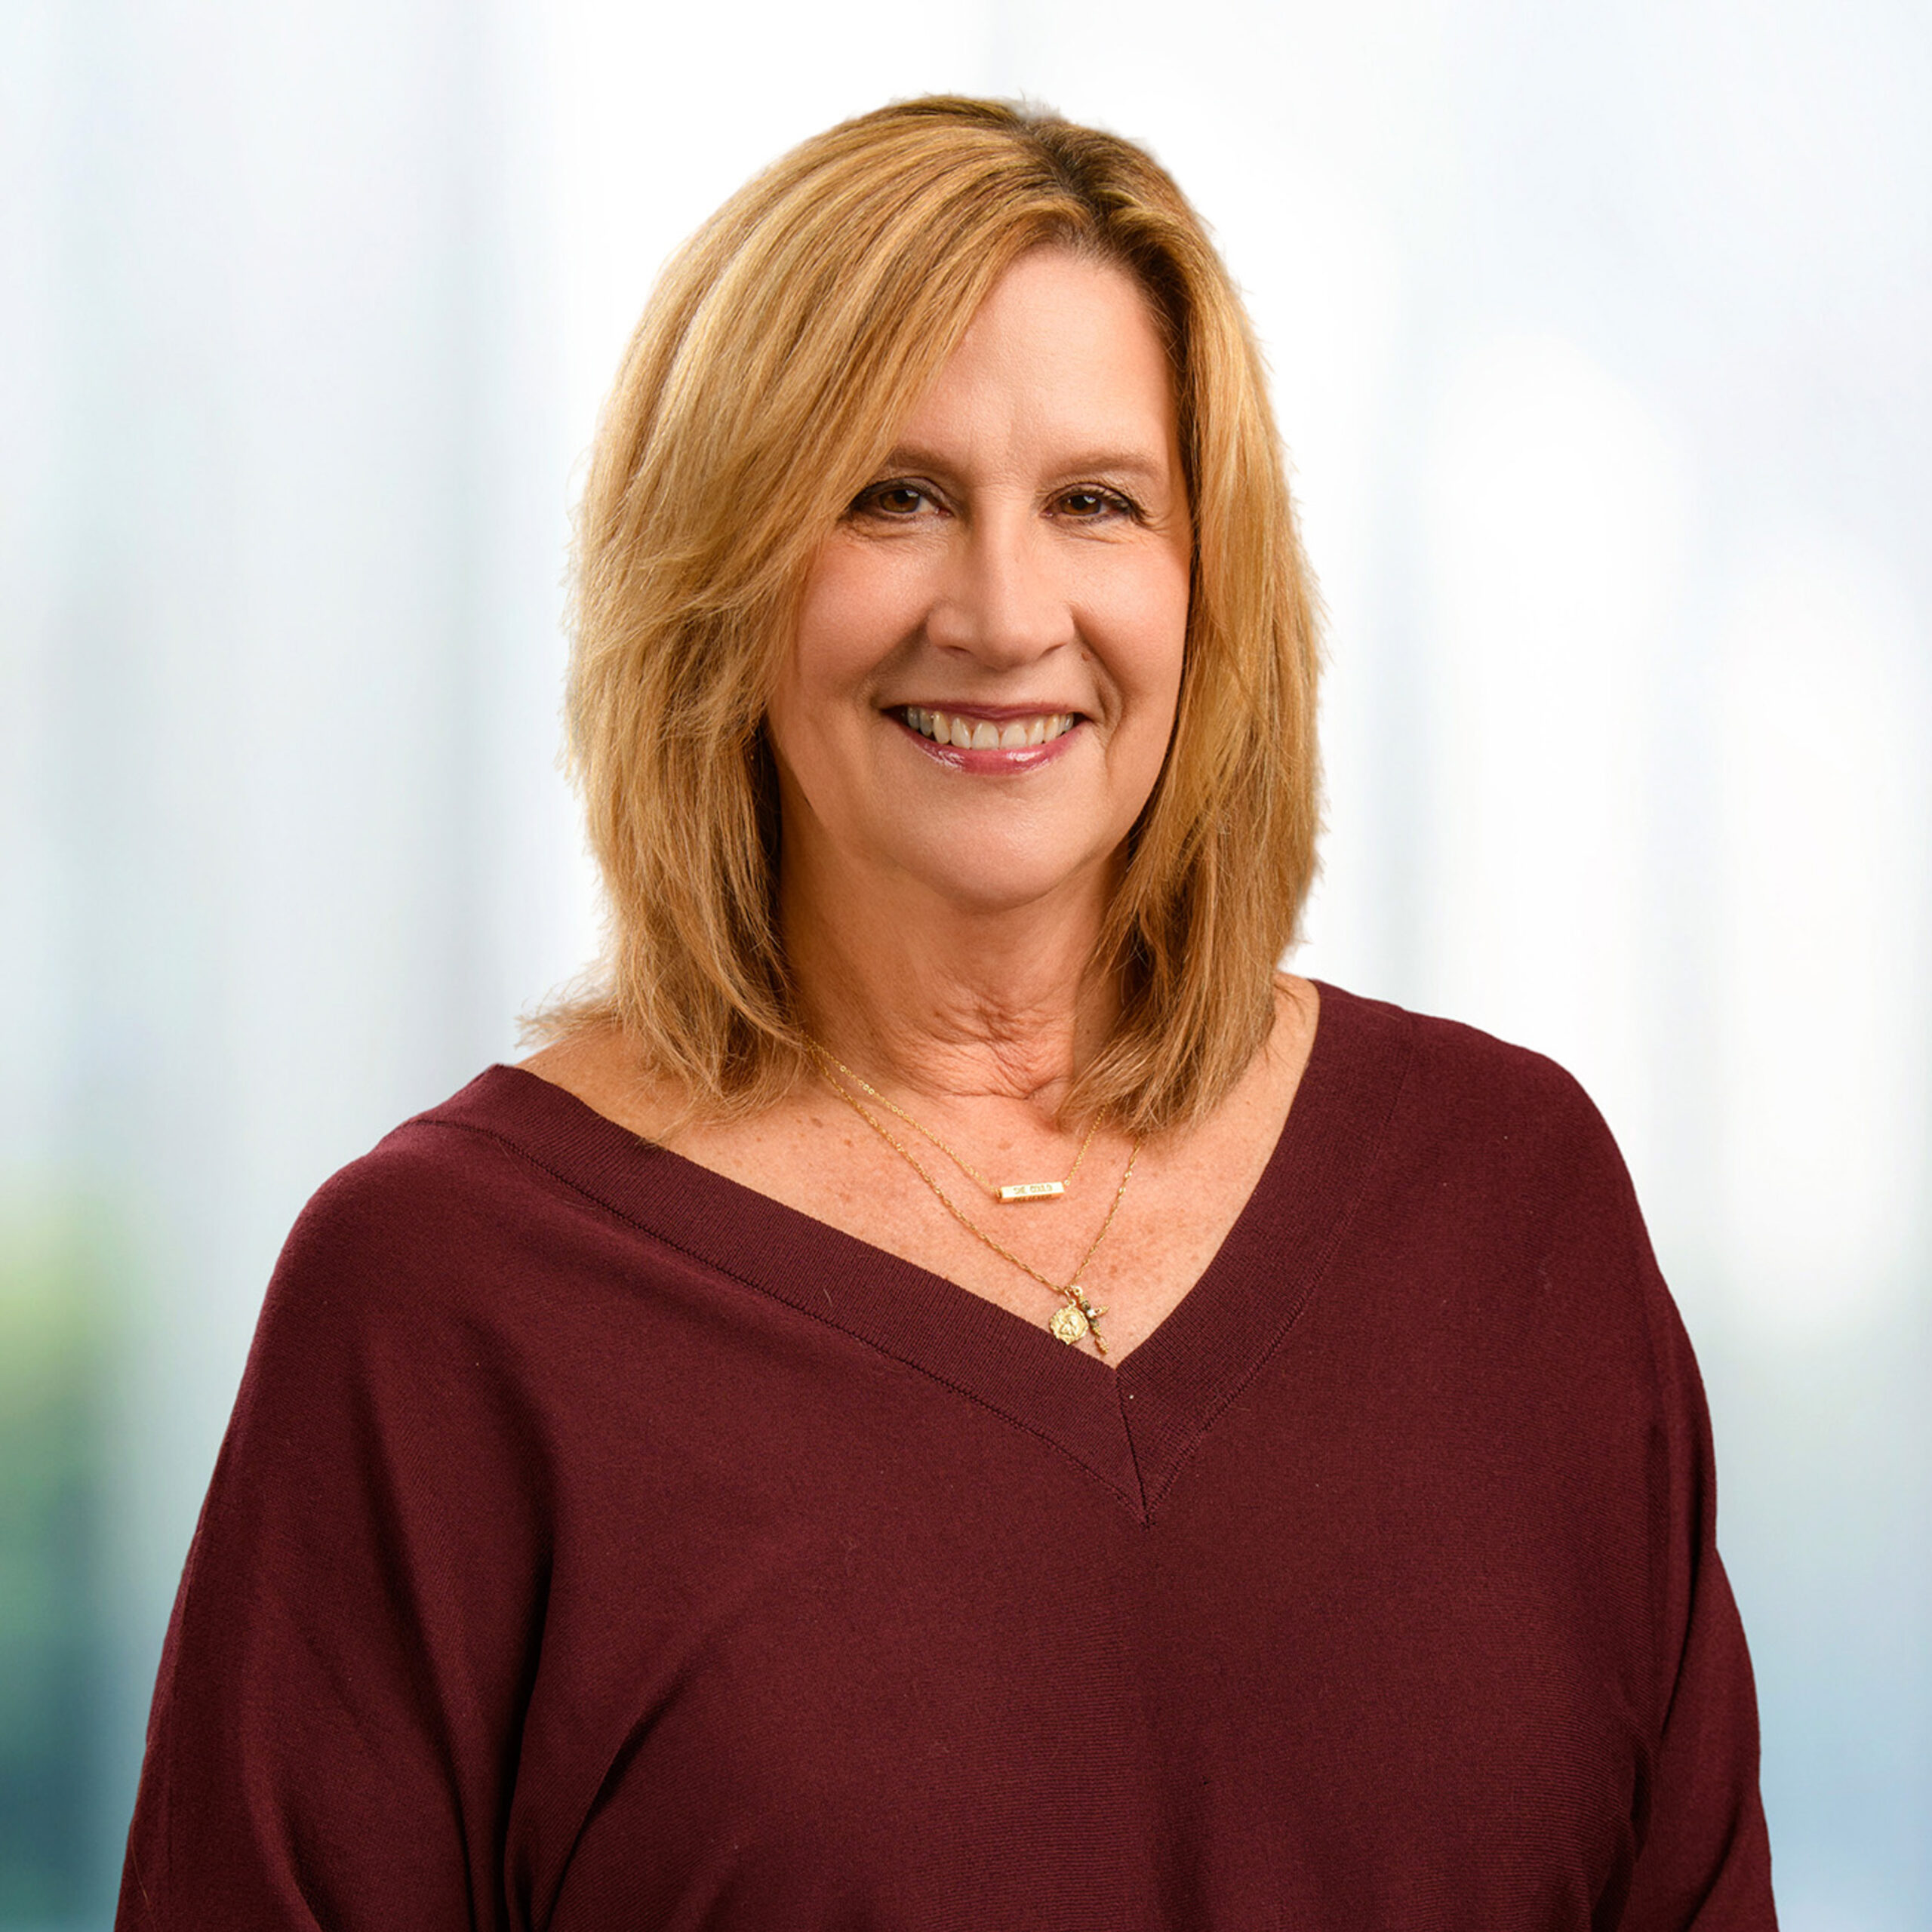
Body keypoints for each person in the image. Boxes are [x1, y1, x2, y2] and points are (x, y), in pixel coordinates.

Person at [116, 97, 1776, 1929]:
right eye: (890, 496)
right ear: (718, 576)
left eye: (1094, 501)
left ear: (1206, 584)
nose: (1003, 611)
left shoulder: (1507, 1201)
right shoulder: (441, 1300)